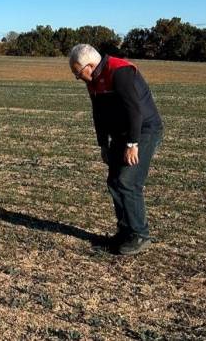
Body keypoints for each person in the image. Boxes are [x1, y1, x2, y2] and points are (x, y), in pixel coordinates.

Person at [68, 44, 163, 255]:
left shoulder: (120, 72)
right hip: (120, 134)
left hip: (143, 130)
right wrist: (103, 144)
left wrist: (132, 144)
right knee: (114, 181)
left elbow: (134, 110)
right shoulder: (93, 82)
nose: (78, 78)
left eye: (78, 73)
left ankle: (140, 235)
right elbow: (98, 114)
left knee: (127, 181)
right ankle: (125, 231)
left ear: (90, 66)